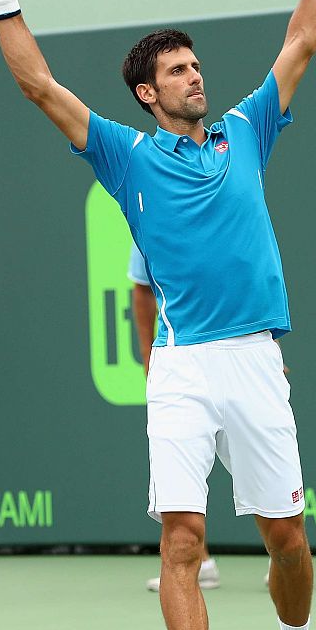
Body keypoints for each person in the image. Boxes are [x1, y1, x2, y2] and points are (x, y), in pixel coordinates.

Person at [0, 0, 316, 630]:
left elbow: (302, 40)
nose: (196, 75)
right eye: (178, 70)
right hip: (182, 368)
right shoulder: (124, 153)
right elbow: (38, 84)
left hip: (256, 361)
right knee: (181, 538)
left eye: (196, 64)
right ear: (148, 92)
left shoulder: (248, 130)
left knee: (286, 539)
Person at [132, 242, 222, 593]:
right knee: (182, 478)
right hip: (179, 362)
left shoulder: (224, 205)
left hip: (237, 353)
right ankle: (204, 561)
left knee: (265, 479)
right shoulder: (148, 210)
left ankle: (284, 560)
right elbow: (142, 288)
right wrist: (147, 357)